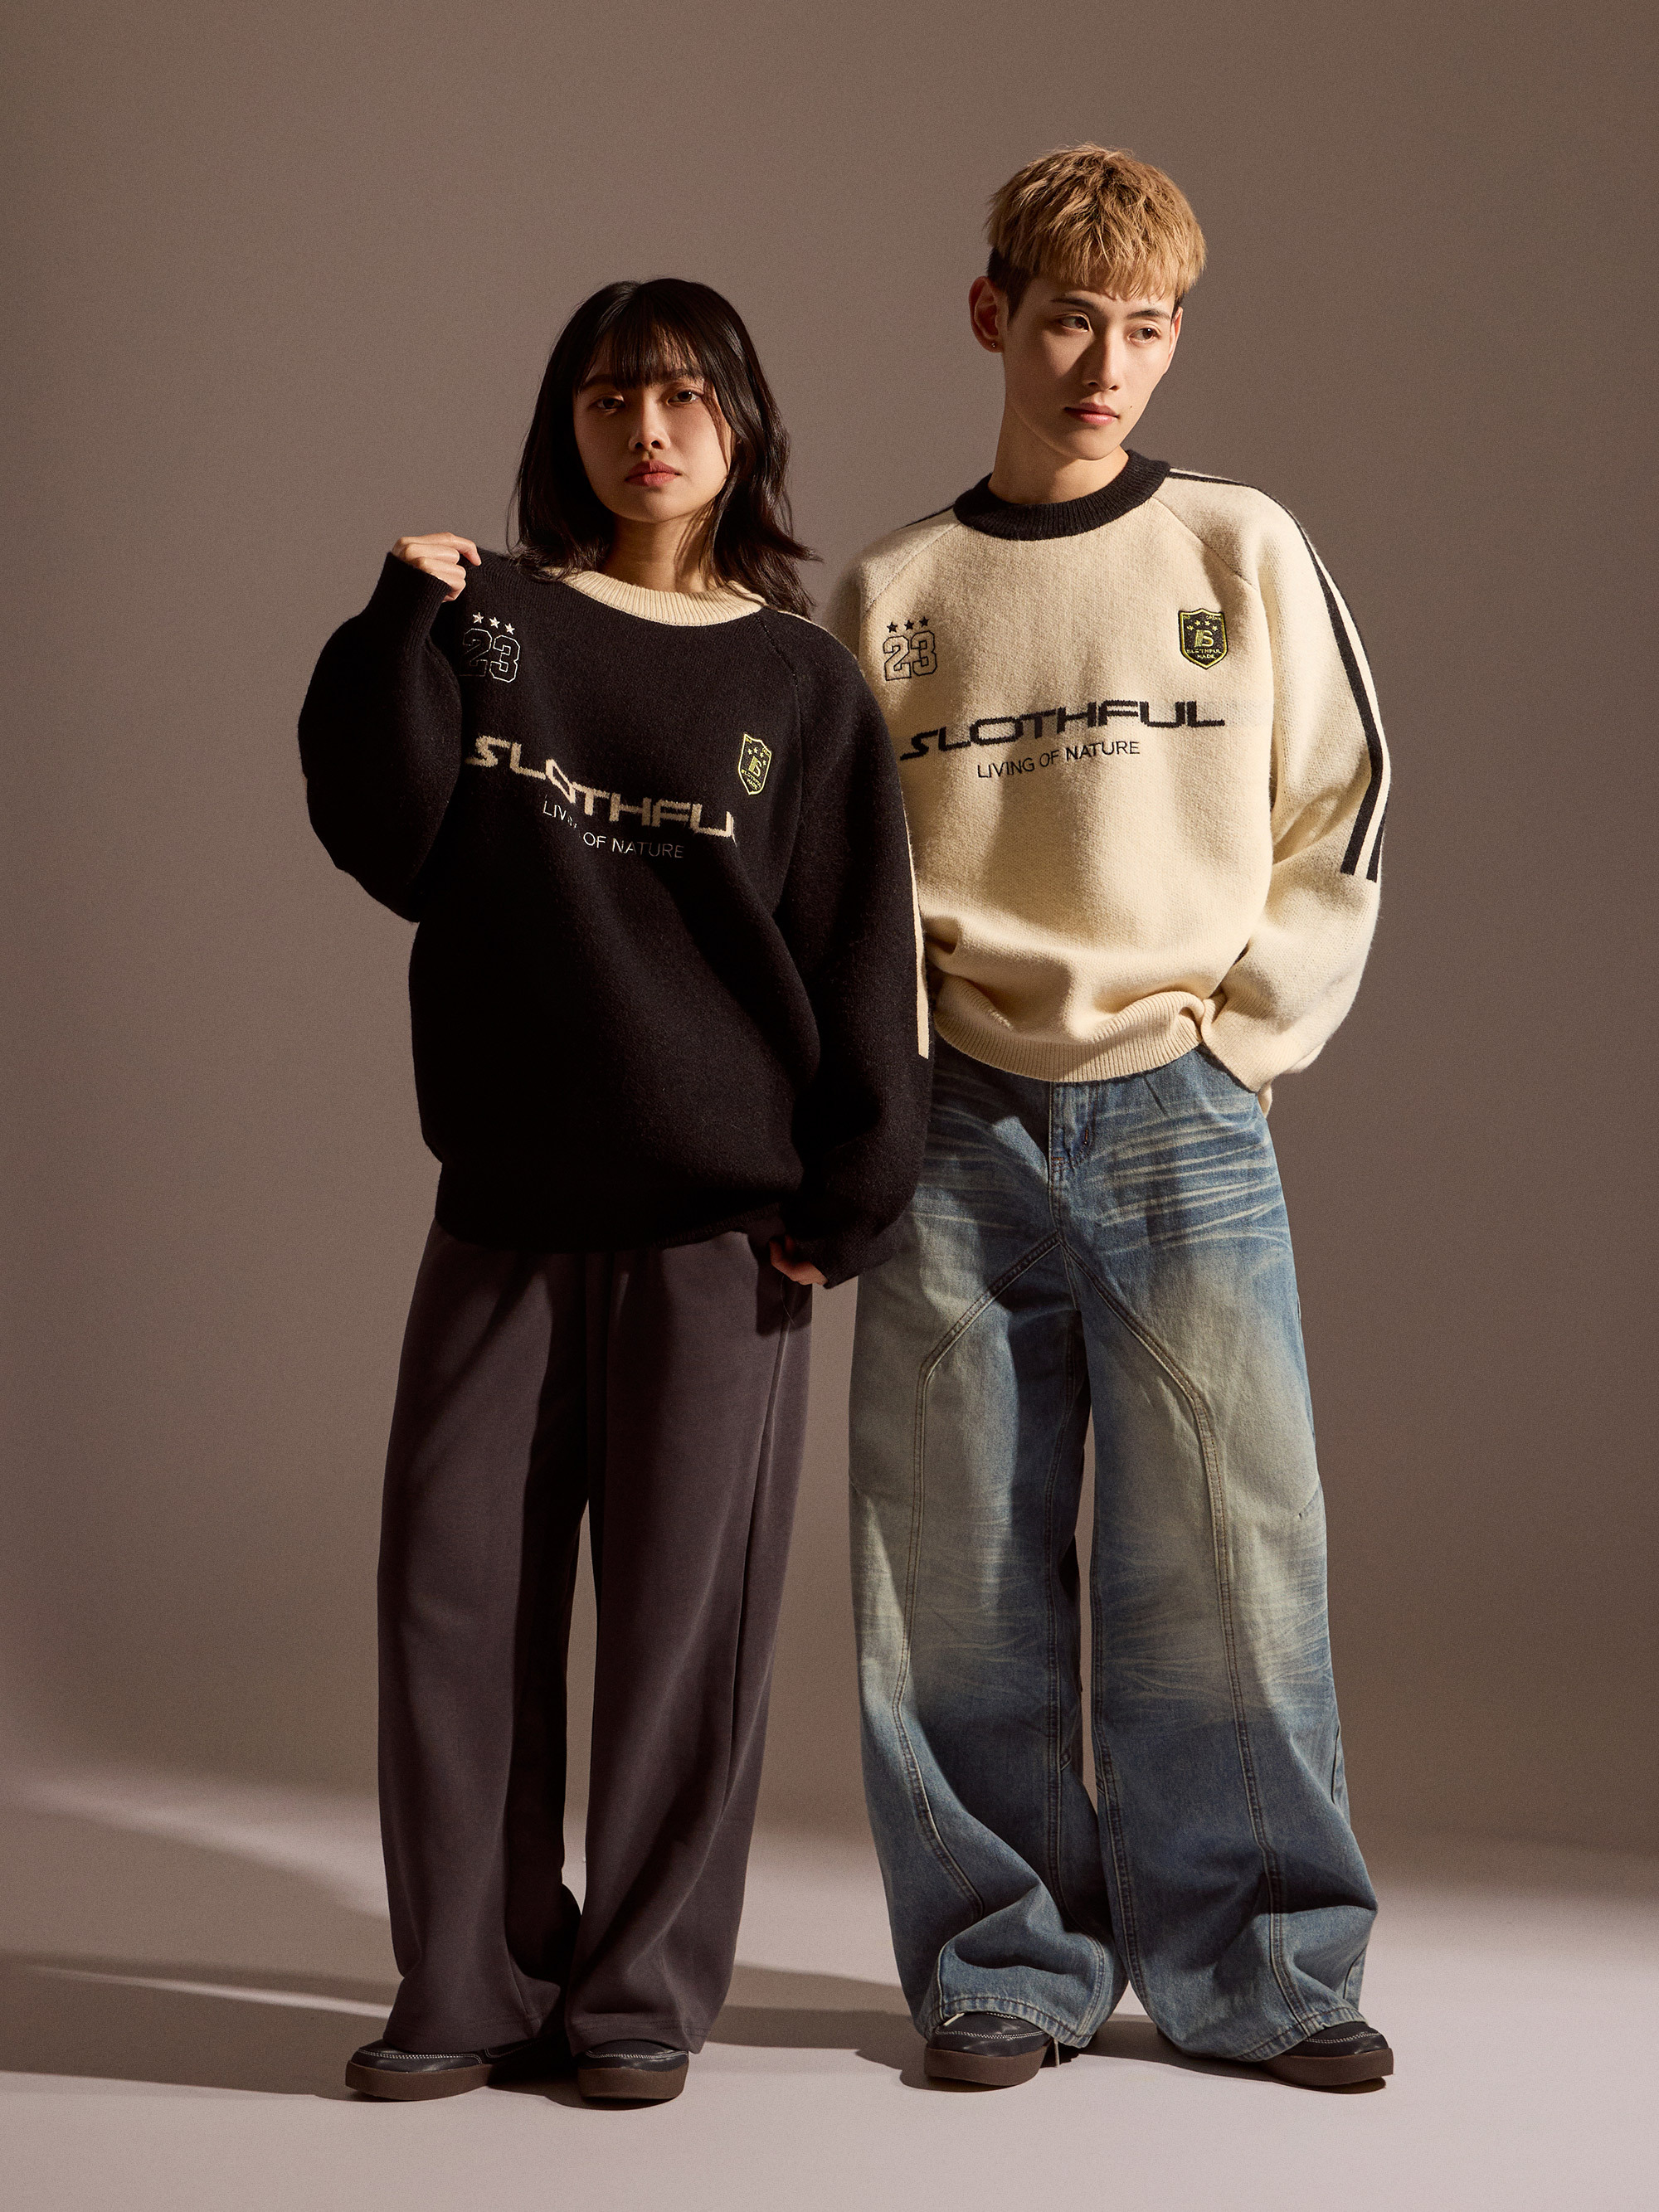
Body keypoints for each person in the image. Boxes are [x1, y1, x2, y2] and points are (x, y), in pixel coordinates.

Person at [299, 277, 931, 2106]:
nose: (645, 431)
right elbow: (385, 832)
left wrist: (854, 1190)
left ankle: (637, 1992)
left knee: (682, 1627)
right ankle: (467, 1982)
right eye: (605, 398)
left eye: (682, 398)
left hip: (722, 1228)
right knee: (452, 1602)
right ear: (563, 424)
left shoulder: (799, 681)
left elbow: (859, 949)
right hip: (504, 1203)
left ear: (743, 427)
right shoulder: (490, 621)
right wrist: (396, 622)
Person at [830, 145, 1394, 2093]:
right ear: (990, 313)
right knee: (950, 1574)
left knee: (1231, 1560)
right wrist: (880, 1093)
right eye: (1070, 320)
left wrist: (1246, 1035)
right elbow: (836, 890)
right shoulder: (893, 594)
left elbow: (1342, 799)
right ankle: (1003, 1964)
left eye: (1145, 328)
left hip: (1181, 1107)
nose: (1105, 365)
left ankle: (1271, 1973)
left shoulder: (1239, 549)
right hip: (951, 1126)